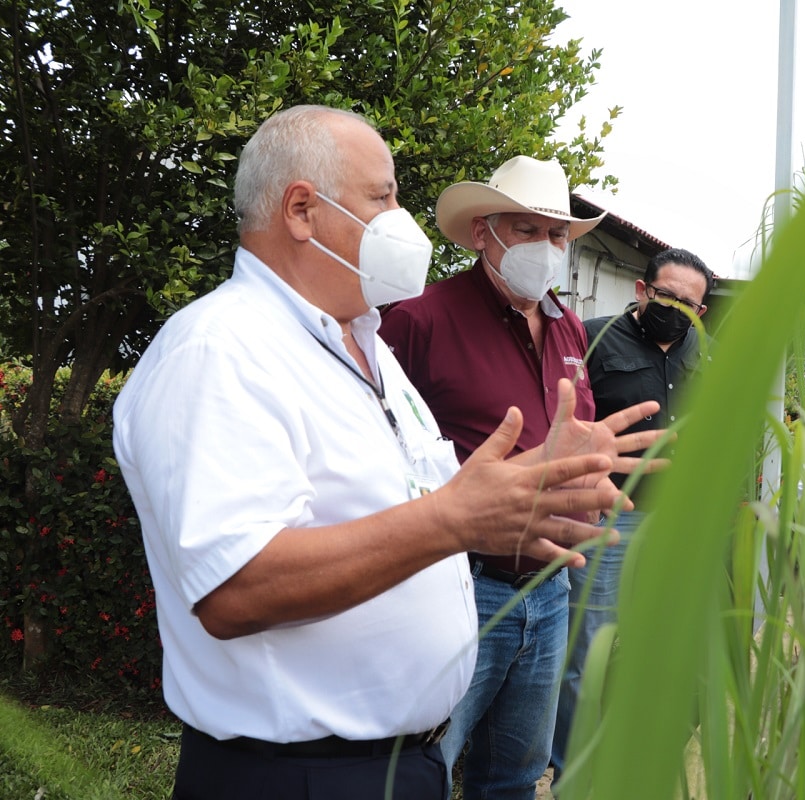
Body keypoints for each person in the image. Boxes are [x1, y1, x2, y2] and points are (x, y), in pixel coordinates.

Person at [112, 106, 658, 800]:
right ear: (303, 210)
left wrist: (531, 483)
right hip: (298, 776)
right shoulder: (219, 351)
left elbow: (414, 499)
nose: (402, 217)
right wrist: (456, 522)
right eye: (384, 195)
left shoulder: (362, 343)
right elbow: (234, 588)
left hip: (400, 765)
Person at [378, 155, 613, 799]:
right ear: (483, 232)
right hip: (462, 585)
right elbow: (376, 452)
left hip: (548, 588)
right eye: (527, 229)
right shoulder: (419, 319)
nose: (546, 247)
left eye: (557, 234)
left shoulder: (567, 327)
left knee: (513, 774)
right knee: (421, 768)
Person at [550, 247, 714, 781]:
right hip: (608, 518)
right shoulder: (592, 337)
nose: (675, 308)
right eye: (666, 295)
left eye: (688, 304)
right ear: (642, 291)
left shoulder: (704, 355)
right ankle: (575, 766)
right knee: (586, 643)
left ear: (702, 313)